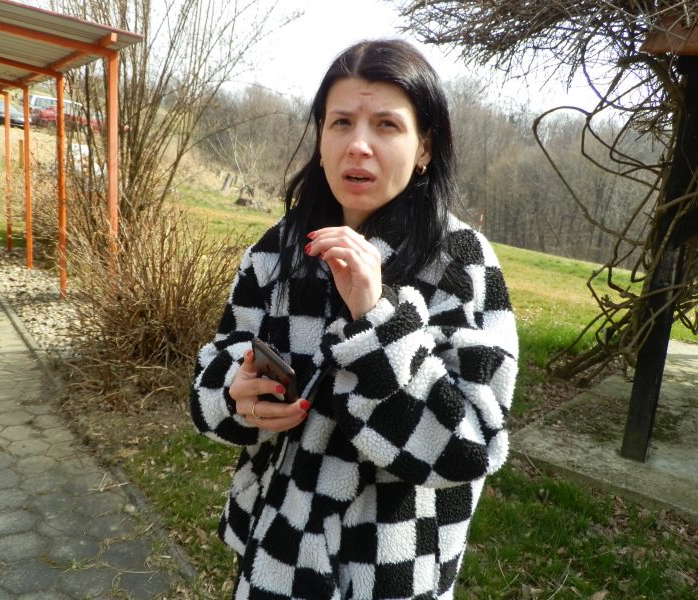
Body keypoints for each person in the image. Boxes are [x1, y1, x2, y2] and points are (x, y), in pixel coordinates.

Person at [191, 38, 518, 600]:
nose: (358, 145)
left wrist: (376, 319)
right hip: (275, 554)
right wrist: (234, 395)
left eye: (387, 125)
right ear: (321, 137)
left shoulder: (461, 263)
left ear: (424, 146)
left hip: (388, 569)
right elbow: (213, 374)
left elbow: (471, 446)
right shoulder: (279, 250)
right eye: (340, 122)